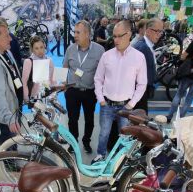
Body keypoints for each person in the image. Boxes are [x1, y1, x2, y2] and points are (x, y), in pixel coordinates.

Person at [93, 20, 147, 163]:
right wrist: (101, 100)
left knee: (125, 136)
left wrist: (131, 104)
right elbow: (98, 78)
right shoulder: (107, 55)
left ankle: (121, 161)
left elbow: (142, 83)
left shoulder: (138, 57)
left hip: (125, 106)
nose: (115, 40)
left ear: (128, 34)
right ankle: (100, 156)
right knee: (103, 134)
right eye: (114, 36)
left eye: (119, 36)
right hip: (107, 104)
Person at [63, 20, 105, 154]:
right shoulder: (70, 49)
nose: (75, 35)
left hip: (89, 91)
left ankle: (86, 142)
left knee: (89, 120)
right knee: (72, 119)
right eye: (74, 32)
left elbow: (103, 72)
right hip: (72, 91)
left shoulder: (99, 50)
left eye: (78, 32)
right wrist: (64, 84)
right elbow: (65, 67)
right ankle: (73, 143)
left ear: (87, 34)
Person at [133, 18, 164, 112]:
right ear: (148, 30)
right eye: (157, 31)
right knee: (140, 118)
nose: (159, 35)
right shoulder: (143, 47)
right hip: (139, 91)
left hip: (142, 90)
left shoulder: (146, 45)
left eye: (161, 31)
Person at [22, 36, 55, 101]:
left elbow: (53, 80)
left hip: (49, 97)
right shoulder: (28, 62)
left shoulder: (49, 60)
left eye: (41, 47)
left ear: (44, 46)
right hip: (35, 99)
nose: (40, 50)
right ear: (32, 49)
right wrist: (26, 98)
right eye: (36, 48)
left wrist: (54, 93)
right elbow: (24, 82)